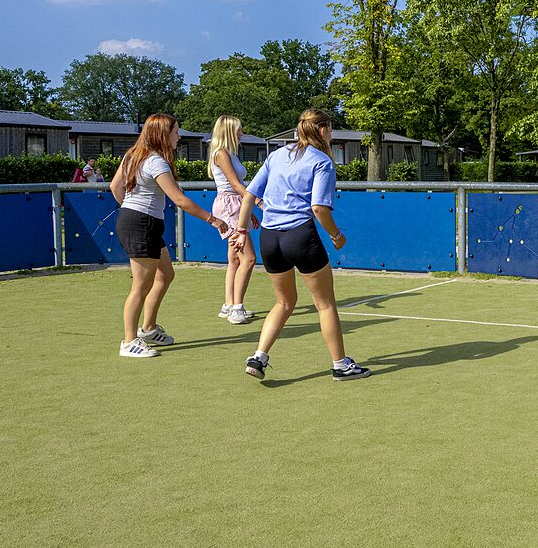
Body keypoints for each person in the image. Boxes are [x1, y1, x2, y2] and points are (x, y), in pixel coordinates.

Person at [231, 108, 369, 381]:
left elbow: (248, 196)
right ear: (322, 131)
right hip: (300, 236)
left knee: (283, 303)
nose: (331, 134)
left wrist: (241, 230)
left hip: (269, 238)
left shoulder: (276, 155)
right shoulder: (322, 162)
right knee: (325, 304)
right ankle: (340, 365)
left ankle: (258, 357)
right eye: (330, 129)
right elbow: (318, 208)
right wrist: (336, 236)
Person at [109, 113, 229, 358]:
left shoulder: (132, 155)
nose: (179, 135)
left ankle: (149, 329)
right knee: (140, 286)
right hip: (141, 224)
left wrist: (130, 209)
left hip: (141, 222)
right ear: (163, 134)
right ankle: (129, 341)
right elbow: (179, 199)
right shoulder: (155, 162)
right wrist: (213, 219)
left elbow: (115, 188)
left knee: (166, 274)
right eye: (175, 131)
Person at [207, 115, 259, 324]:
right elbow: (236, 185)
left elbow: (239, 187)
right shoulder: (221, 154)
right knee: (248, 258)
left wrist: (249, 211)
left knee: (235, 259)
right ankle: (236, 308)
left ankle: (229, 304)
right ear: (228, 131)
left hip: (237, 205)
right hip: (229, 206)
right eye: (238, 129)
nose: (242, 133)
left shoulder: (231, 154)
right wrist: (259, 203)